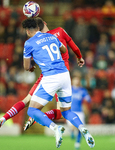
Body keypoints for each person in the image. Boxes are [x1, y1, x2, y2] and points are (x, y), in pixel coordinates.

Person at [0, 17, 84, 137]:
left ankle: (2, 120)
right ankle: (36, 117)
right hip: (61, 74)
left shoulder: (33, 41)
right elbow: (71, 46)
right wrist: (79, 57)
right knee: (61, 112)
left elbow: (29, 64)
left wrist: (31, 67)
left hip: (48, 76)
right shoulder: (57, 33)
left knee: (26, 101)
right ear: (43, 24)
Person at [22, 18, 94, 148]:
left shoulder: (29, 43)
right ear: (39, 28)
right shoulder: (52, 37)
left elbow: (27, 67)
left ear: (28, 31)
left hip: (51, 76)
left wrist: (33, 64)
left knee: (32, 111)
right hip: (65, 74)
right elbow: (64, 51)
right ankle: (83, 129)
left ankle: (55, 128)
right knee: (66, 111)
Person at [67, 75, 91, 150]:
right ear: (72, 81)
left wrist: (87, 98)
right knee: (73, 126)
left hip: (80, 112)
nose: (76, 81)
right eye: (75, 80)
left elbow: (89, 99)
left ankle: (77, 144)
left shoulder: (82, 90)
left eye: (78, 80)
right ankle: (72, 131)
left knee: (81, 128)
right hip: (70, 111)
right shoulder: (69, 89)